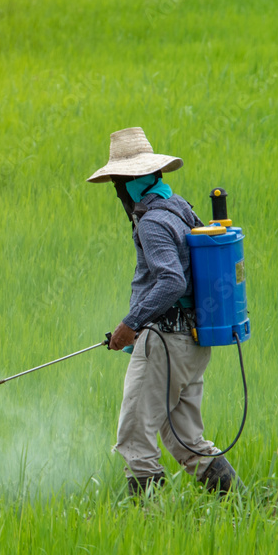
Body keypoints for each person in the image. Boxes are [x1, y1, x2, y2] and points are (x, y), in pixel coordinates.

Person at [87, 127, 241, 497]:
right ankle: (241, 507)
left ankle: (149, 529)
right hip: (192, 343)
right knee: (186, 440)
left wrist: (131, 324)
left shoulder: (153, 221)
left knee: (135, 439)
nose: (117, 191)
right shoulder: (180, 206)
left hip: (165, 343)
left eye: (118, 183)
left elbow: (171, 281)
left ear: (132, 182)